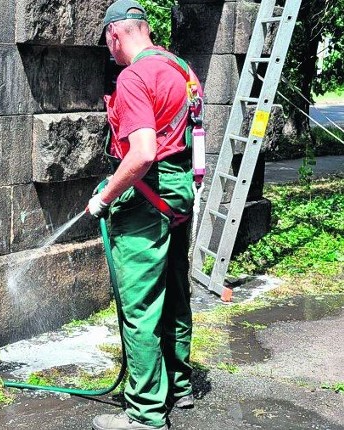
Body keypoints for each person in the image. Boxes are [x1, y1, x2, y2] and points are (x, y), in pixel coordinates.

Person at [87, 1, 203, 429]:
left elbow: (142, 153)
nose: (109, 50)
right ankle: (179, 385)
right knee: (174, 289)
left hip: (147, 196)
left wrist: (104, 198)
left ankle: (145, 414)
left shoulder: (134, 76)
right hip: (178, 193)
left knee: (140, 305)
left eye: (107, 41)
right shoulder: (181, 68)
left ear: (116, 33)